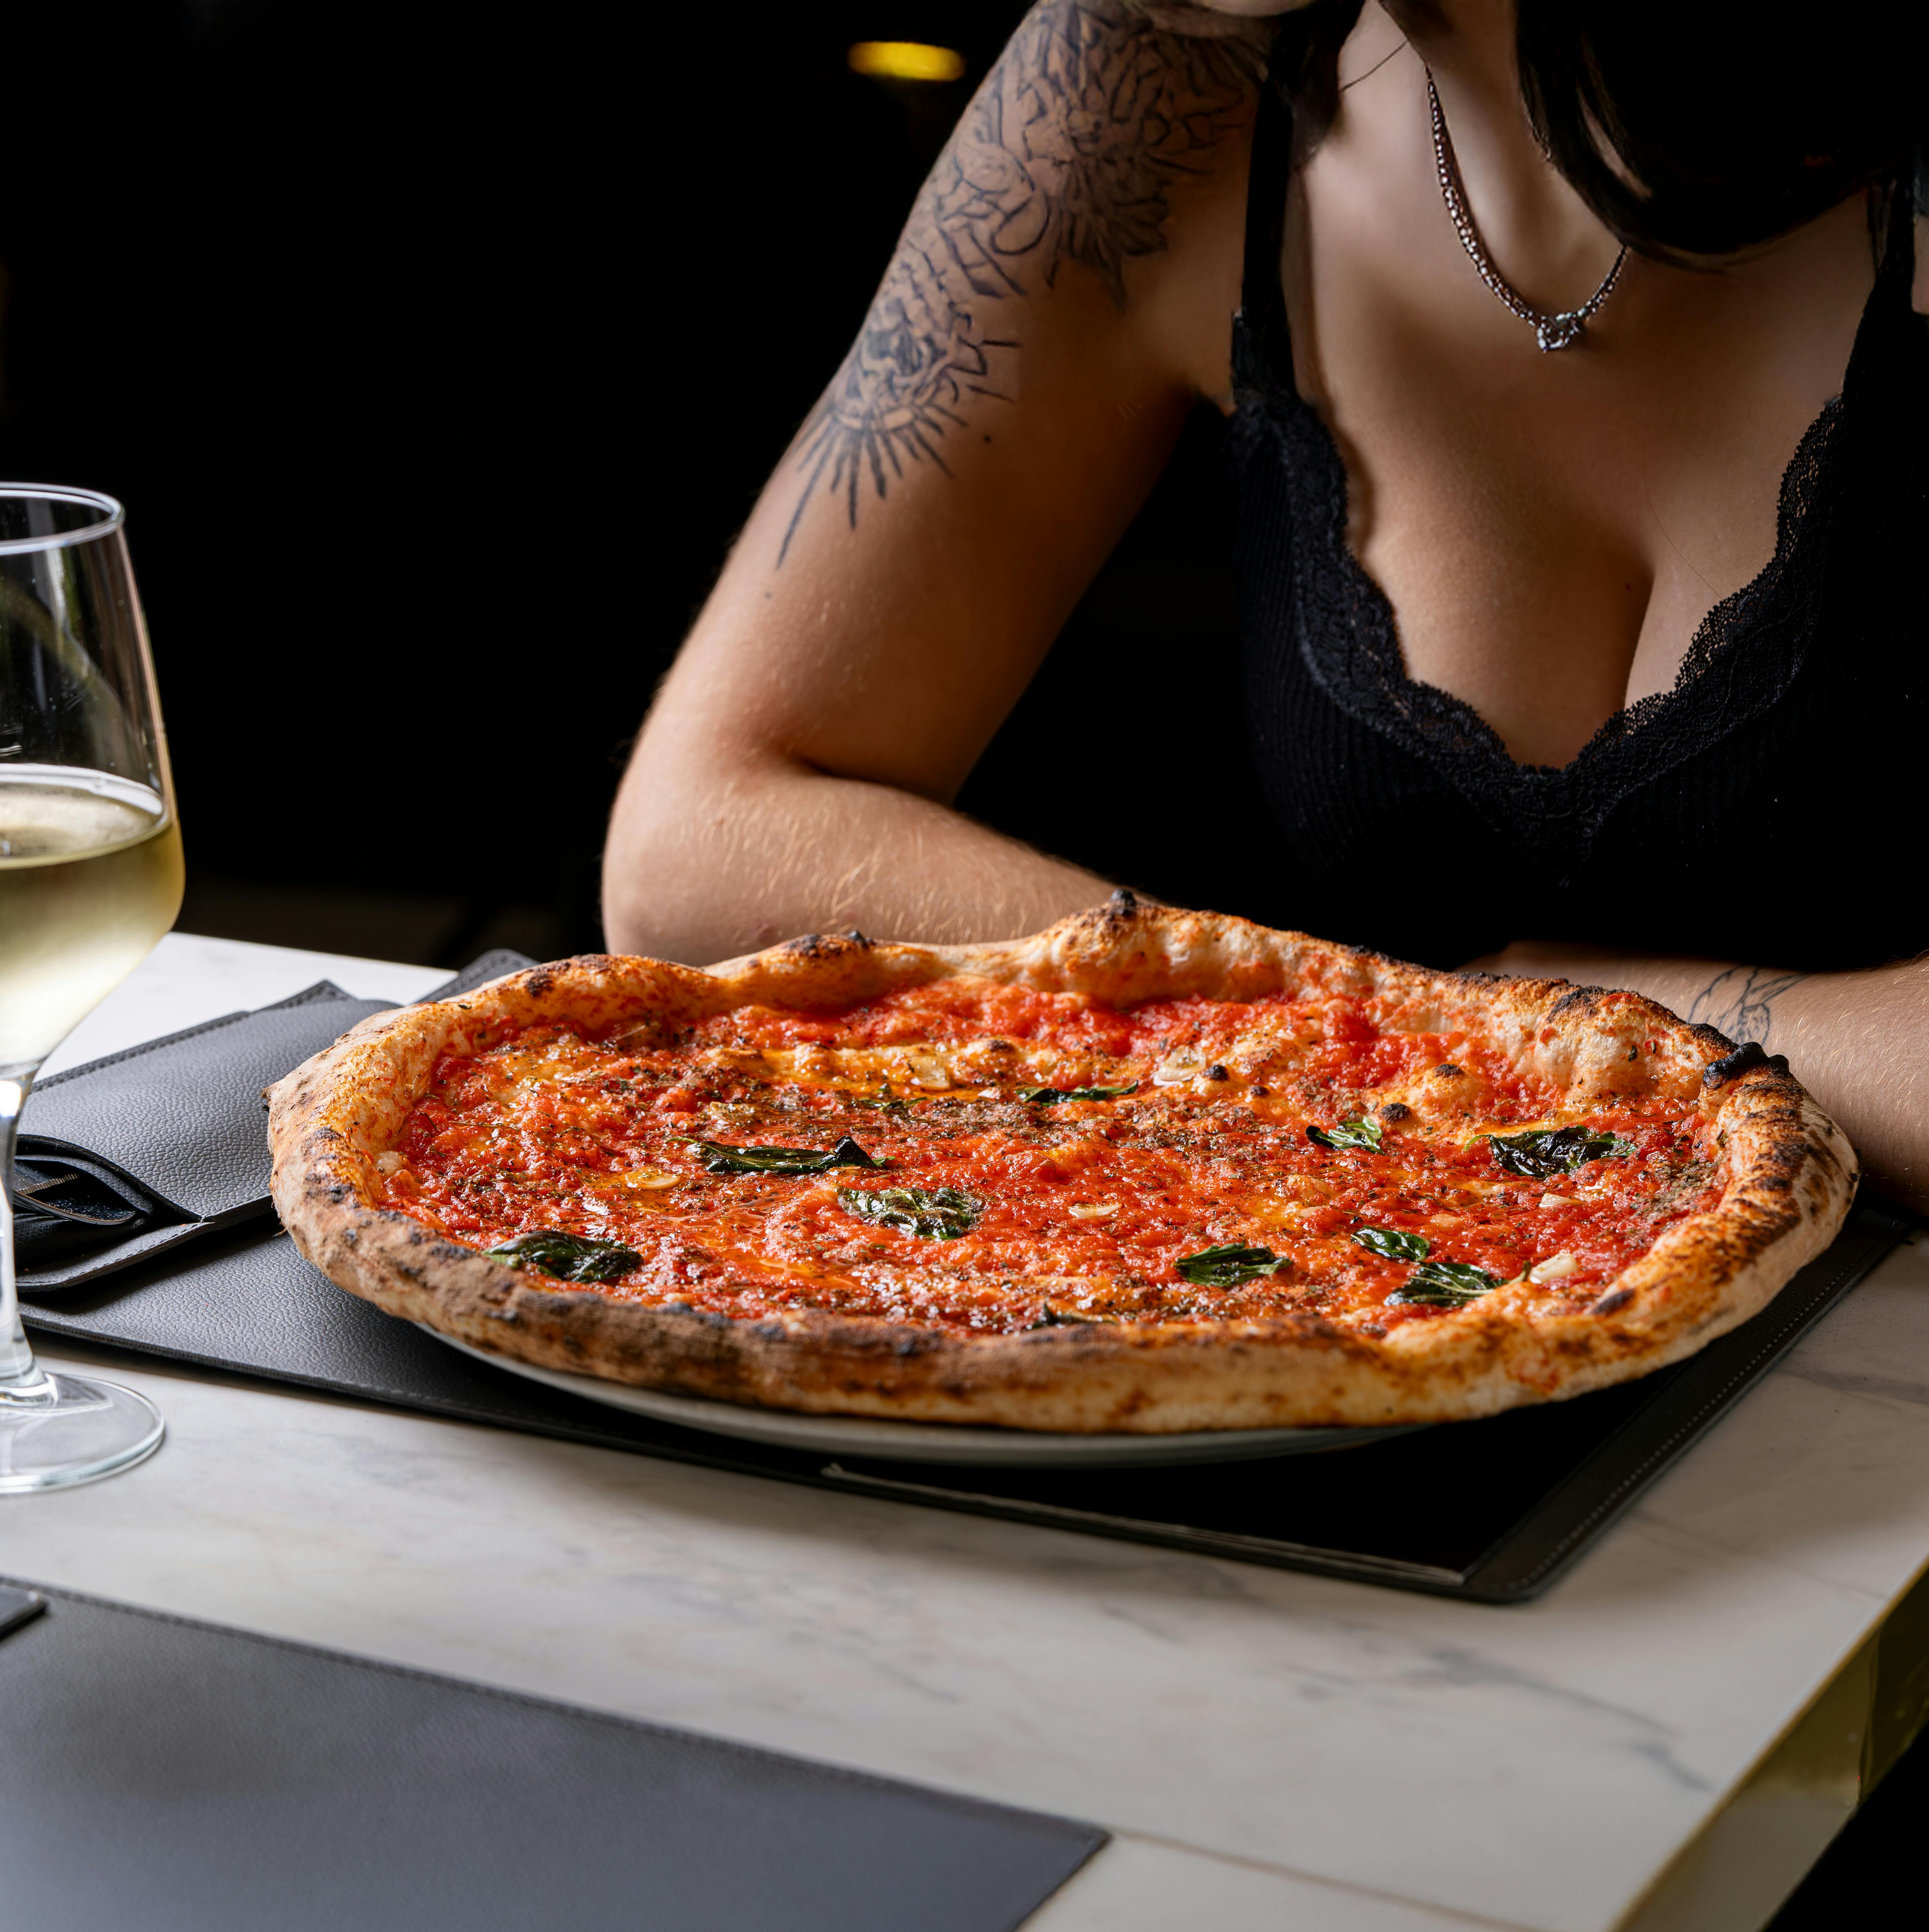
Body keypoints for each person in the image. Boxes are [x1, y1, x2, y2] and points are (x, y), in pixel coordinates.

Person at [603, 0, 1929, 1206]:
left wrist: (1596, 1018)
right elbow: (701, 836)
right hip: (1412, 1327)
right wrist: (1358, 1023)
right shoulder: (1151, 79)